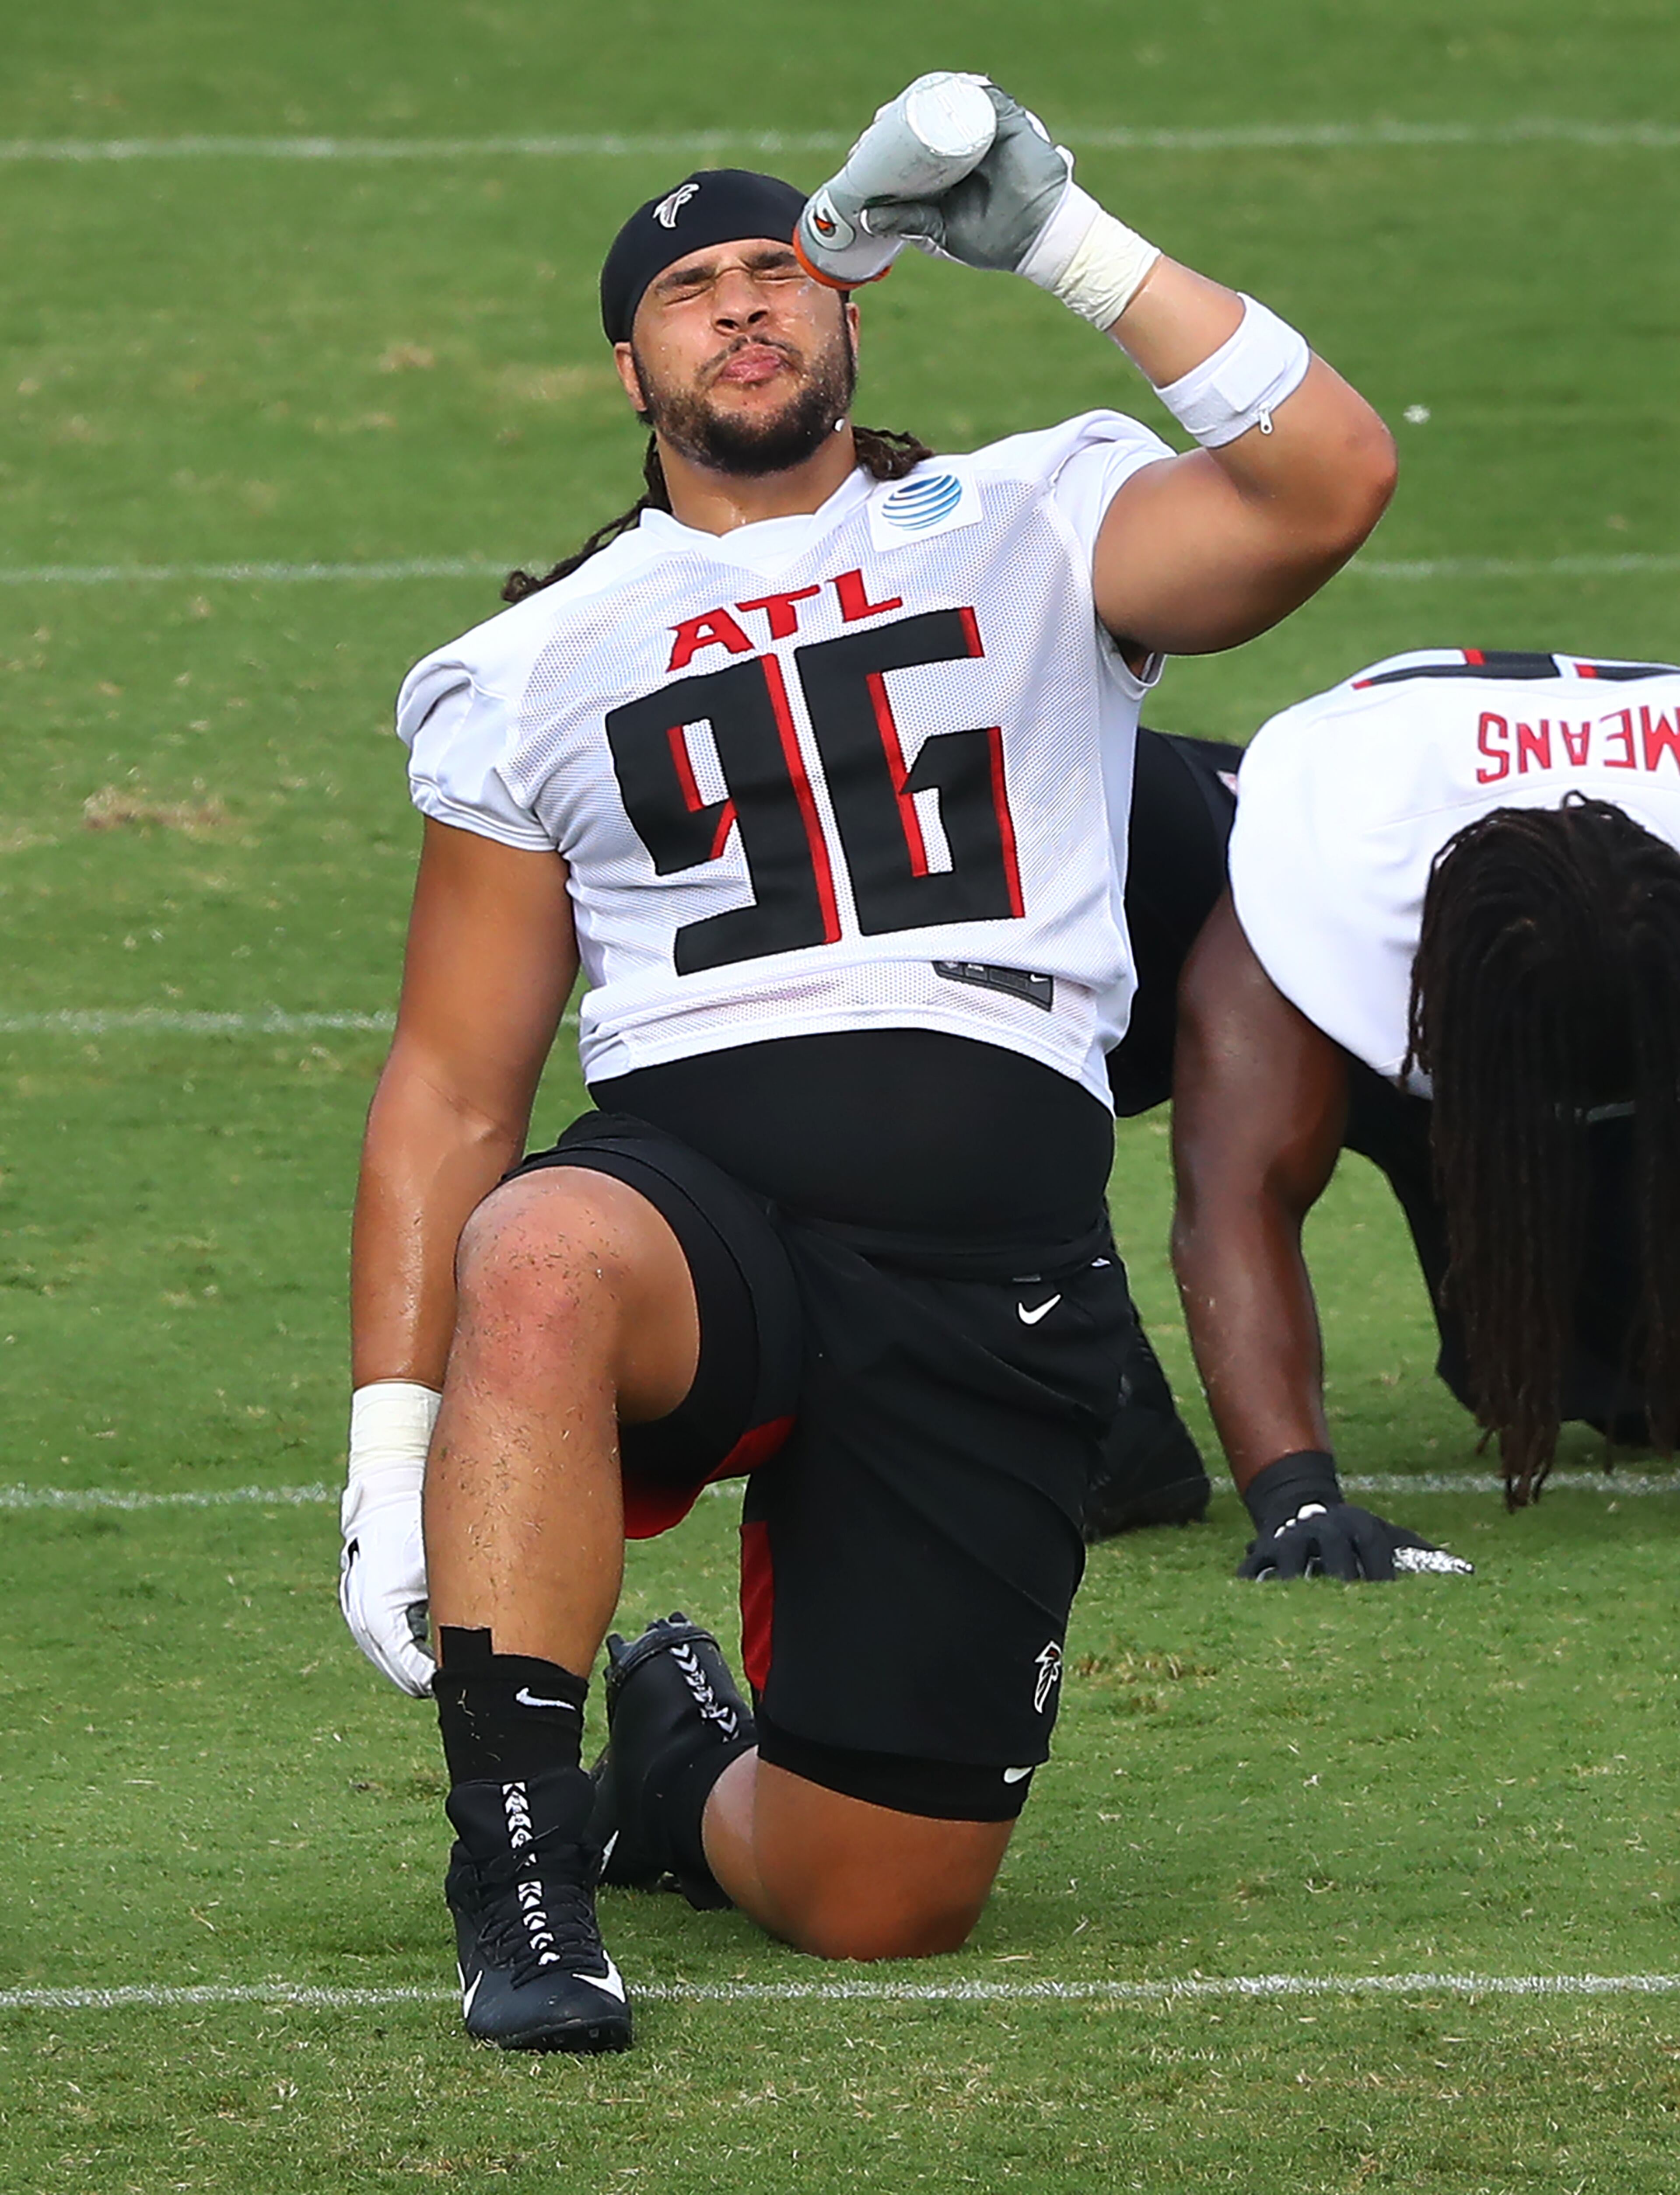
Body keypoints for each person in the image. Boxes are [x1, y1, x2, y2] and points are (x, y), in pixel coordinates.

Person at [337, 76, 1396, 2054]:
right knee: (545, 1247)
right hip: (697, 1186)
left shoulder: (1036, 514)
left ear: (852, 310)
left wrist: (1075, 249)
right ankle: (520, 1867)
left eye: (774, 270)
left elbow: (1325, 480)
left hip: (990, 1262)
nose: (741, 305)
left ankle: (668, 1762)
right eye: (688, 289)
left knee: (875, 1899)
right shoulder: (536, 657)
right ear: (627, 361)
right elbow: (453, 1083)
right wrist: (388, 1453)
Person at [1138, 649, 1680, 1579]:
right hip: (1373, 872)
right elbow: (1243, 1191)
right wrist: (1296, 1495)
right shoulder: (1322, 877)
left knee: (1644, 1393)